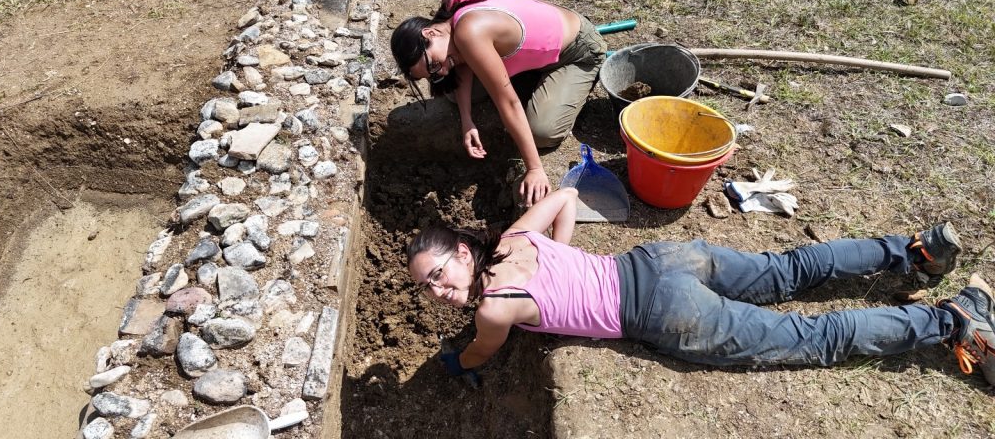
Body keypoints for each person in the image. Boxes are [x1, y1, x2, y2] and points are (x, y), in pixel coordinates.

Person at [406, 187, 995, 385]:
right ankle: (916, 250)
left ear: (463, 253)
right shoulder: (513, 238)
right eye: (427, 289)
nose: (438, 291)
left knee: (811, 338)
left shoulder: (494, 310)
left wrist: (455, 362)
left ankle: (953, 321)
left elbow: (480, 350)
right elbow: (564, 196)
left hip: (664, 311)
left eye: (439, 276)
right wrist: (568, 254)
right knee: (790, 268)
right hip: (663, 260)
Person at [390, 0, 608, 207]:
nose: (442, 71)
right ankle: (529, 73)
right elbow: (463, 60)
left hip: (576, 51)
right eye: (433, 74)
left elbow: (510, 103)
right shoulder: (451, 18)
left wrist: (534, 168)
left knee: (541, 132)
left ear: (430, 33)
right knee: (454, 94)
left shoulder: (470, 32)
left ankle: (559, 79)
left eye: (434, 64)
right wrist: (467, 120)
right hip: (540, 50)